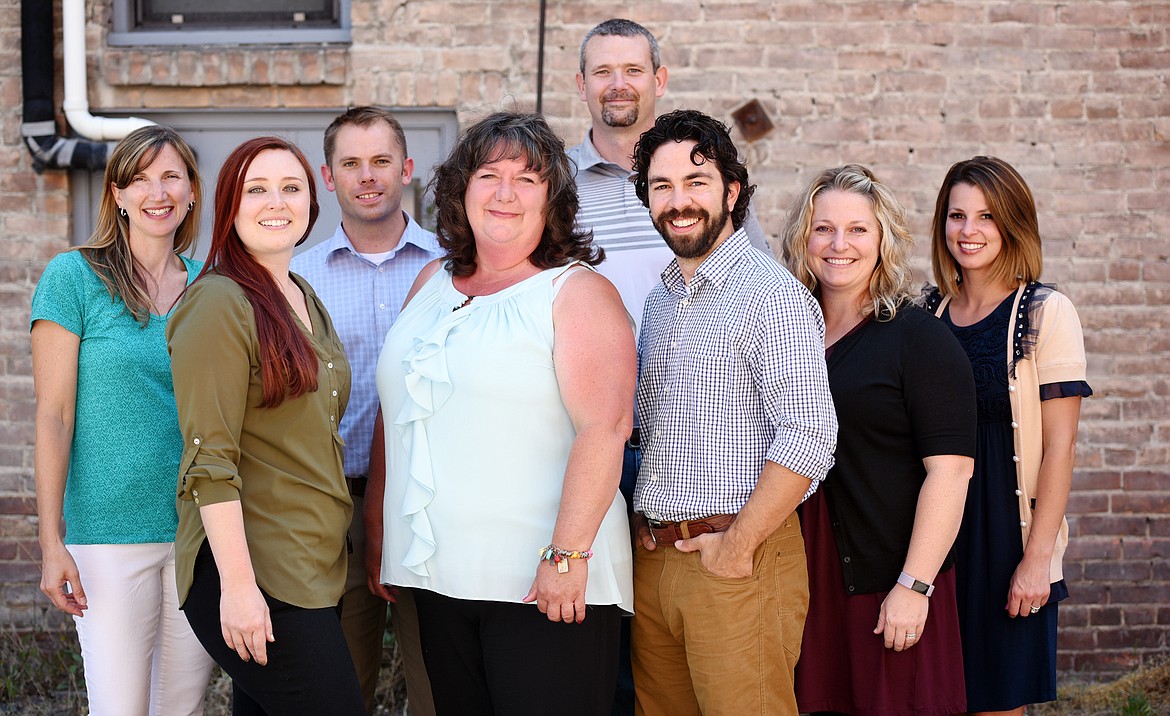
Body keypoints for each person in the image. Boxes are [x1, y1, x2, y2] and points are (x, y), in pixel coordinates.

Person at [371, 111, 635, 715]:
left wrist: (566, 556)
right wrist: (380, 523)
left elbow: (606, 428)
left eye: (528, 179)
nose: (505, 193)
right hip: (440, 577)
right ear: (461, 190)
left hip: (544, 583)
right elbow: (401, 409)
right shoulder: (430, 282)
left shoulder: (576, 292)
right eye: (489, 174)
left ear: (553, 199)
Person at [569, 21, 772, 712]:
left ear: (660, 79)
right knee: (609, 636)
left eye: (632, 68)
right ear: (582, 84)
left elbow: (759, 298)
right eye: (602, 70)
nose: (617, 83)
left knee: (693, 640)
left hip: (685, 448)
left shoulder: (711, 184)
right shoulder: (558, 185)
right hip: (588, 439)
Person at [629, 109, 837, 716]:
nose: (679, 201)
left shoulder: (772, 294)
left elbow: (809, 435)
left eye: (696, 182)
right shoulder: (661, 299)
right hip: (658, 559)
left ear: (732, 190)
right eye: (661, 186)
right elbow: (649, 428)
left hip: (737, 560)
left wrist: (738, 545)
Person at [167, 136, 364, 715]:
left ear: (311, 202)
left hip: (310, 563)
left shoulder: (300, 294)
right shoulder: (219, 302)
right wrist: (239, 587)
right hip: (256, 569)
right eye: (256, 189)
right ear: (229, 205)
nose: (275, 202)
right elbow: (210, 460)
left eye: (290, 187)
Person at [30, 124, 215, 716]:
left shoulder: (210, 286)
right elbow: (54, 417)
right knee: (120, 709)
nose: (155, 192)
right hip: (109, 536)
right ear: (116, 193)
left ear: (190, 190)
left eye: (170, 176)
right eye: (139, 178)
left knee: (181, 707)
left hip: (196, 532)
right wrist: (51, 541)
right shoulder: (74, 278)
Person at [779, 165, 976, 715]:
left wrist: (914, 587)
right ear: (802, 238)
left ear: (884, 240)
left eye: (858, 230)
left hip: (887, 579)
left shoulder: (918, 340)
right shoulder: (786, 332)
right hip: (801, 577)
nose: (839, 244)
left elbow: (951, 471)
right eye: (823, 229)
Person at [924, 156, 1092, 715]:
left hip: (1007, 537)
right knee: (936, 695)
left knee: (997, 702)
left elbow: (1060, 446)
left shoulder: (1046, 312)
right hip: (937, 533)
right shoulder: (928, 312)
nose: (968, 232)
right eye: (957, 215)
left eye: (986, 217)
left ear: (1012, 223)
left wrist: (1037, 557)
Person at [291, 106, 440, 716]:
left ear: (406, 169)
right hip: (331, 507)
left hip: (429, 504)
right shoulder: (295, 279)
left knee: (440, 682)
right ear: (329, 178)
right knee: (336, 688)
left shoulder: (453, 270)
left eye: (381, 161)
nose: (367, 176)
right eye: (351, 164)